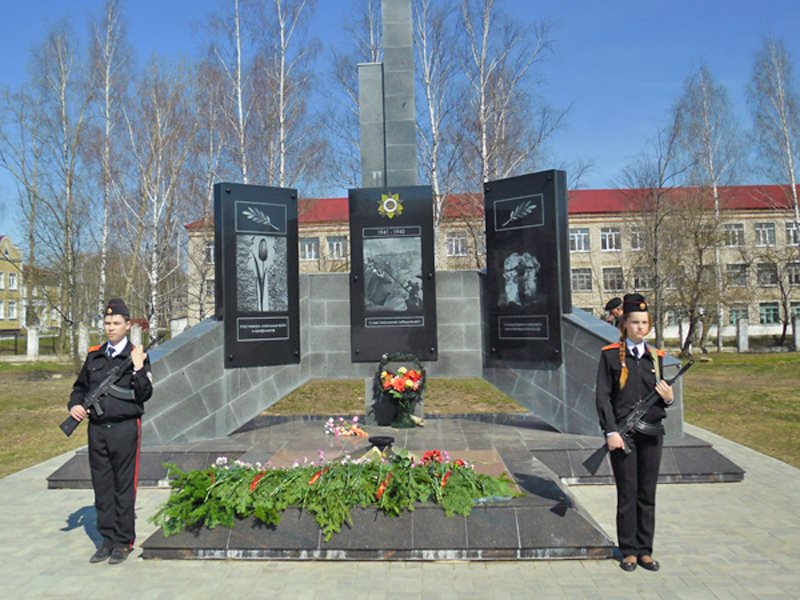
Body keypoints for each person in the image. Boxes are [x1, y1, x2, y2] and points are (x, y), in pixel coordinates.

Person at [68, 298, 153, 564]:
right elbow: (79, 388)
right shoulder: (95, 355)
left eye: (116, 323)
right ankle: (106, 541)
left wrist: (138, 367)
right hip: (97, 430)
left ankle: (123, 542)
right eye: (107, 323)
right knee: (103, 486)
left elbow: (145, 393)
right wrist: (75, 406)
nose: (110, 327)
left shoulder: (137, 356)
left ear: (128, 326)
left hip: (125, 428)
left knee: (123, 487)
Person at [595, 293, 674, 572]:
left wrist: (668, 398)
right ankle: (628, 550)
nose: (641, 327)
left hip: (651, 433)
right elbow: (603, 397)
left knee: (647, 493)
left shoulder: (656, 357)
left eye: (644, 322)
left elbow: (661, 397)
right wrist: (610, 431)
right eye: (635, 322)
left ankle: (645, 550)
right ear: (625, 324)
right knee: (627, 493)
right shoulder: (610, 356)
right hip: (623, 436)